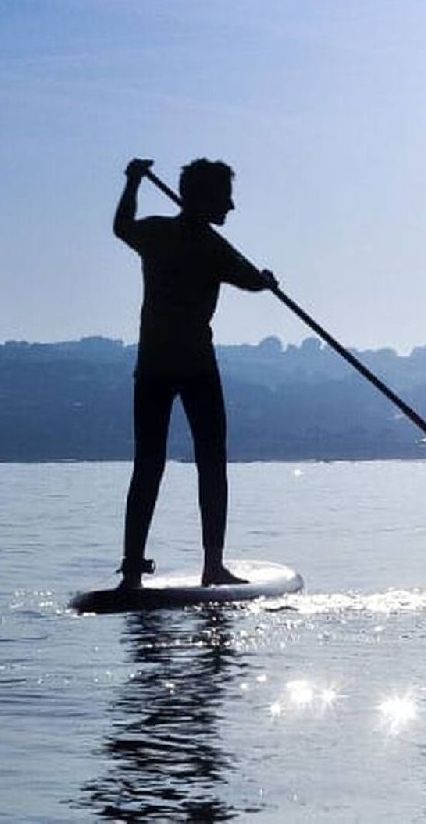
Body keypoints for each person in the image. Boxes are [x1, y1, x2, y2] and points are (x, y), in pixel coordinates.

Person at [112, 157, 277, 589]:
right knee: (212, 463)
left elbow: (121, 226)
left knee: (148, 465)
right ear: (205, 199)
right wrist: (266, 280)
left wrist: (132, 183)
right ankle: (213, 565)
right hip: (195, 368)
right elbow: (252, 282)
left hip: (152, 367)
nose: (232, 207)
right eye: (225, 198)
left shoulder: (158, 233)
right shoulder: (213, 248)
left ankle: (132, 571)